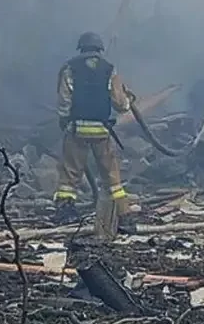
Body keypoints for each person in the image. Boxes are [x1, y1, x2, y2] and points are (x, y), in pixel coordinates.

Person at [52, 31, 139, 231]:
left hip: (77, 130)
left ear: (81, 48)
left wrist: (64, 119)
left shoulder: (69, 68)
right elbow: (120, 104)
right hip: (101, 130)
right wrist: (128, 102)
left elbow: (64, 100)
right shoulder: (109, 69)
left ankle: (65, 211)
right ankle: (123, 213)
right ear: (100, 49)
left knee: (70, 173)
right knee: (111, 175)